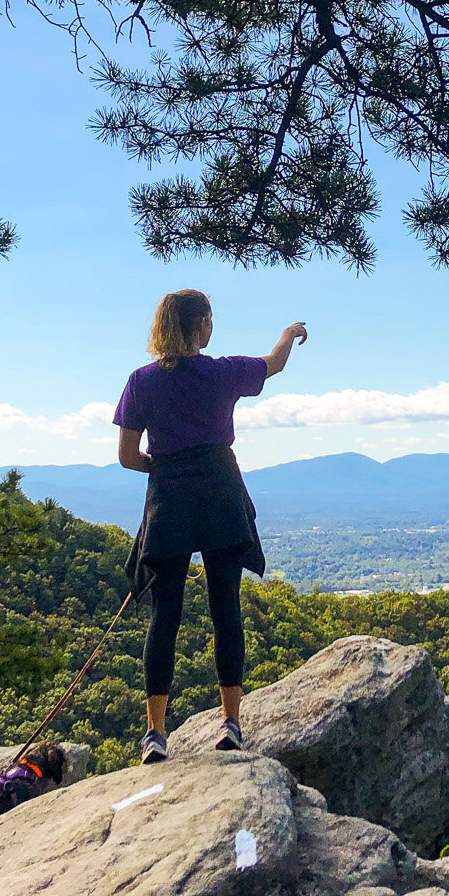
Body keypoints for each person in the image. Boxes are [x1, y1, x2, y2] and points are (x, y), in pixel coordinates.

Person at [115, 290, 307, 763]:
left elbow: (125, 456)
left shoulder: (141, 382)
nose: (212, 327)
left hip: (170, 501)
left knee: (165, 616)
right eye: (210, 320)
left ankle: (155, 735)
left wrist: (163, 467)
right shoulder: (222, 373)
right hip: (221, 493)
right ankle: (231, 723)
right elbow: (274, 364)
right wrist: (288, 334)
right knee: (226, 608)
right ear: (200, 326)